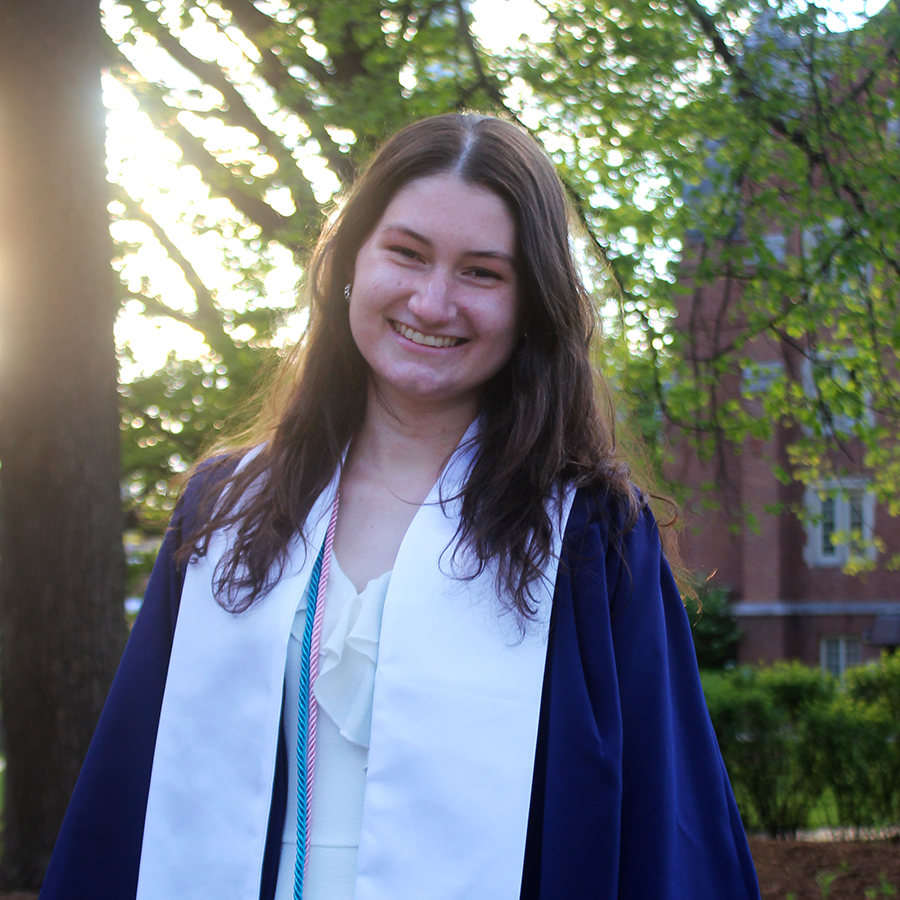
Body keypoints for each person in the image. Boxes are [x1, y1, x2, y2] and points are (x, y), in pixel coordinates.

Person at [41, 113, 761, 900]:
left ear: (532, 308)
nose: (432, 301)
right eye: (407, 254)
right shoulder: (229, 512)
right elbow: (129, 795)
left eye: (482, 273)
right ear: (351, 264)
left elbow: (663, 826)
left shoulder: (588, 538)